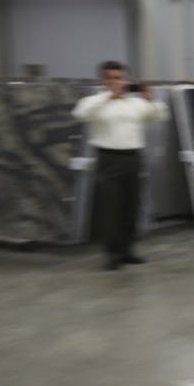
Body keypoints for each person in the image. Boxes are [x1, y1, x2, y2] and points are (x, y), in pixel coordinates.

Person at [73, 61, 169, 270]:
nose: (117, 82)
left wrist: (150, 99)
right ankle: (111, 254)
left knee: (131, 206)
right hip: (108, 158)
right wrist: (108, 96)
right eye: (112, 78)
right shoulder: (95, 101)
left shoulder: (135, 103)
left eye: (120, 77)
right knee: (110, 208)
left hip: (133, 158)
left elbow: (161, 116)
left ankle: (128, 250)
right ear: (104, 80)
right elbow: (80, 114)